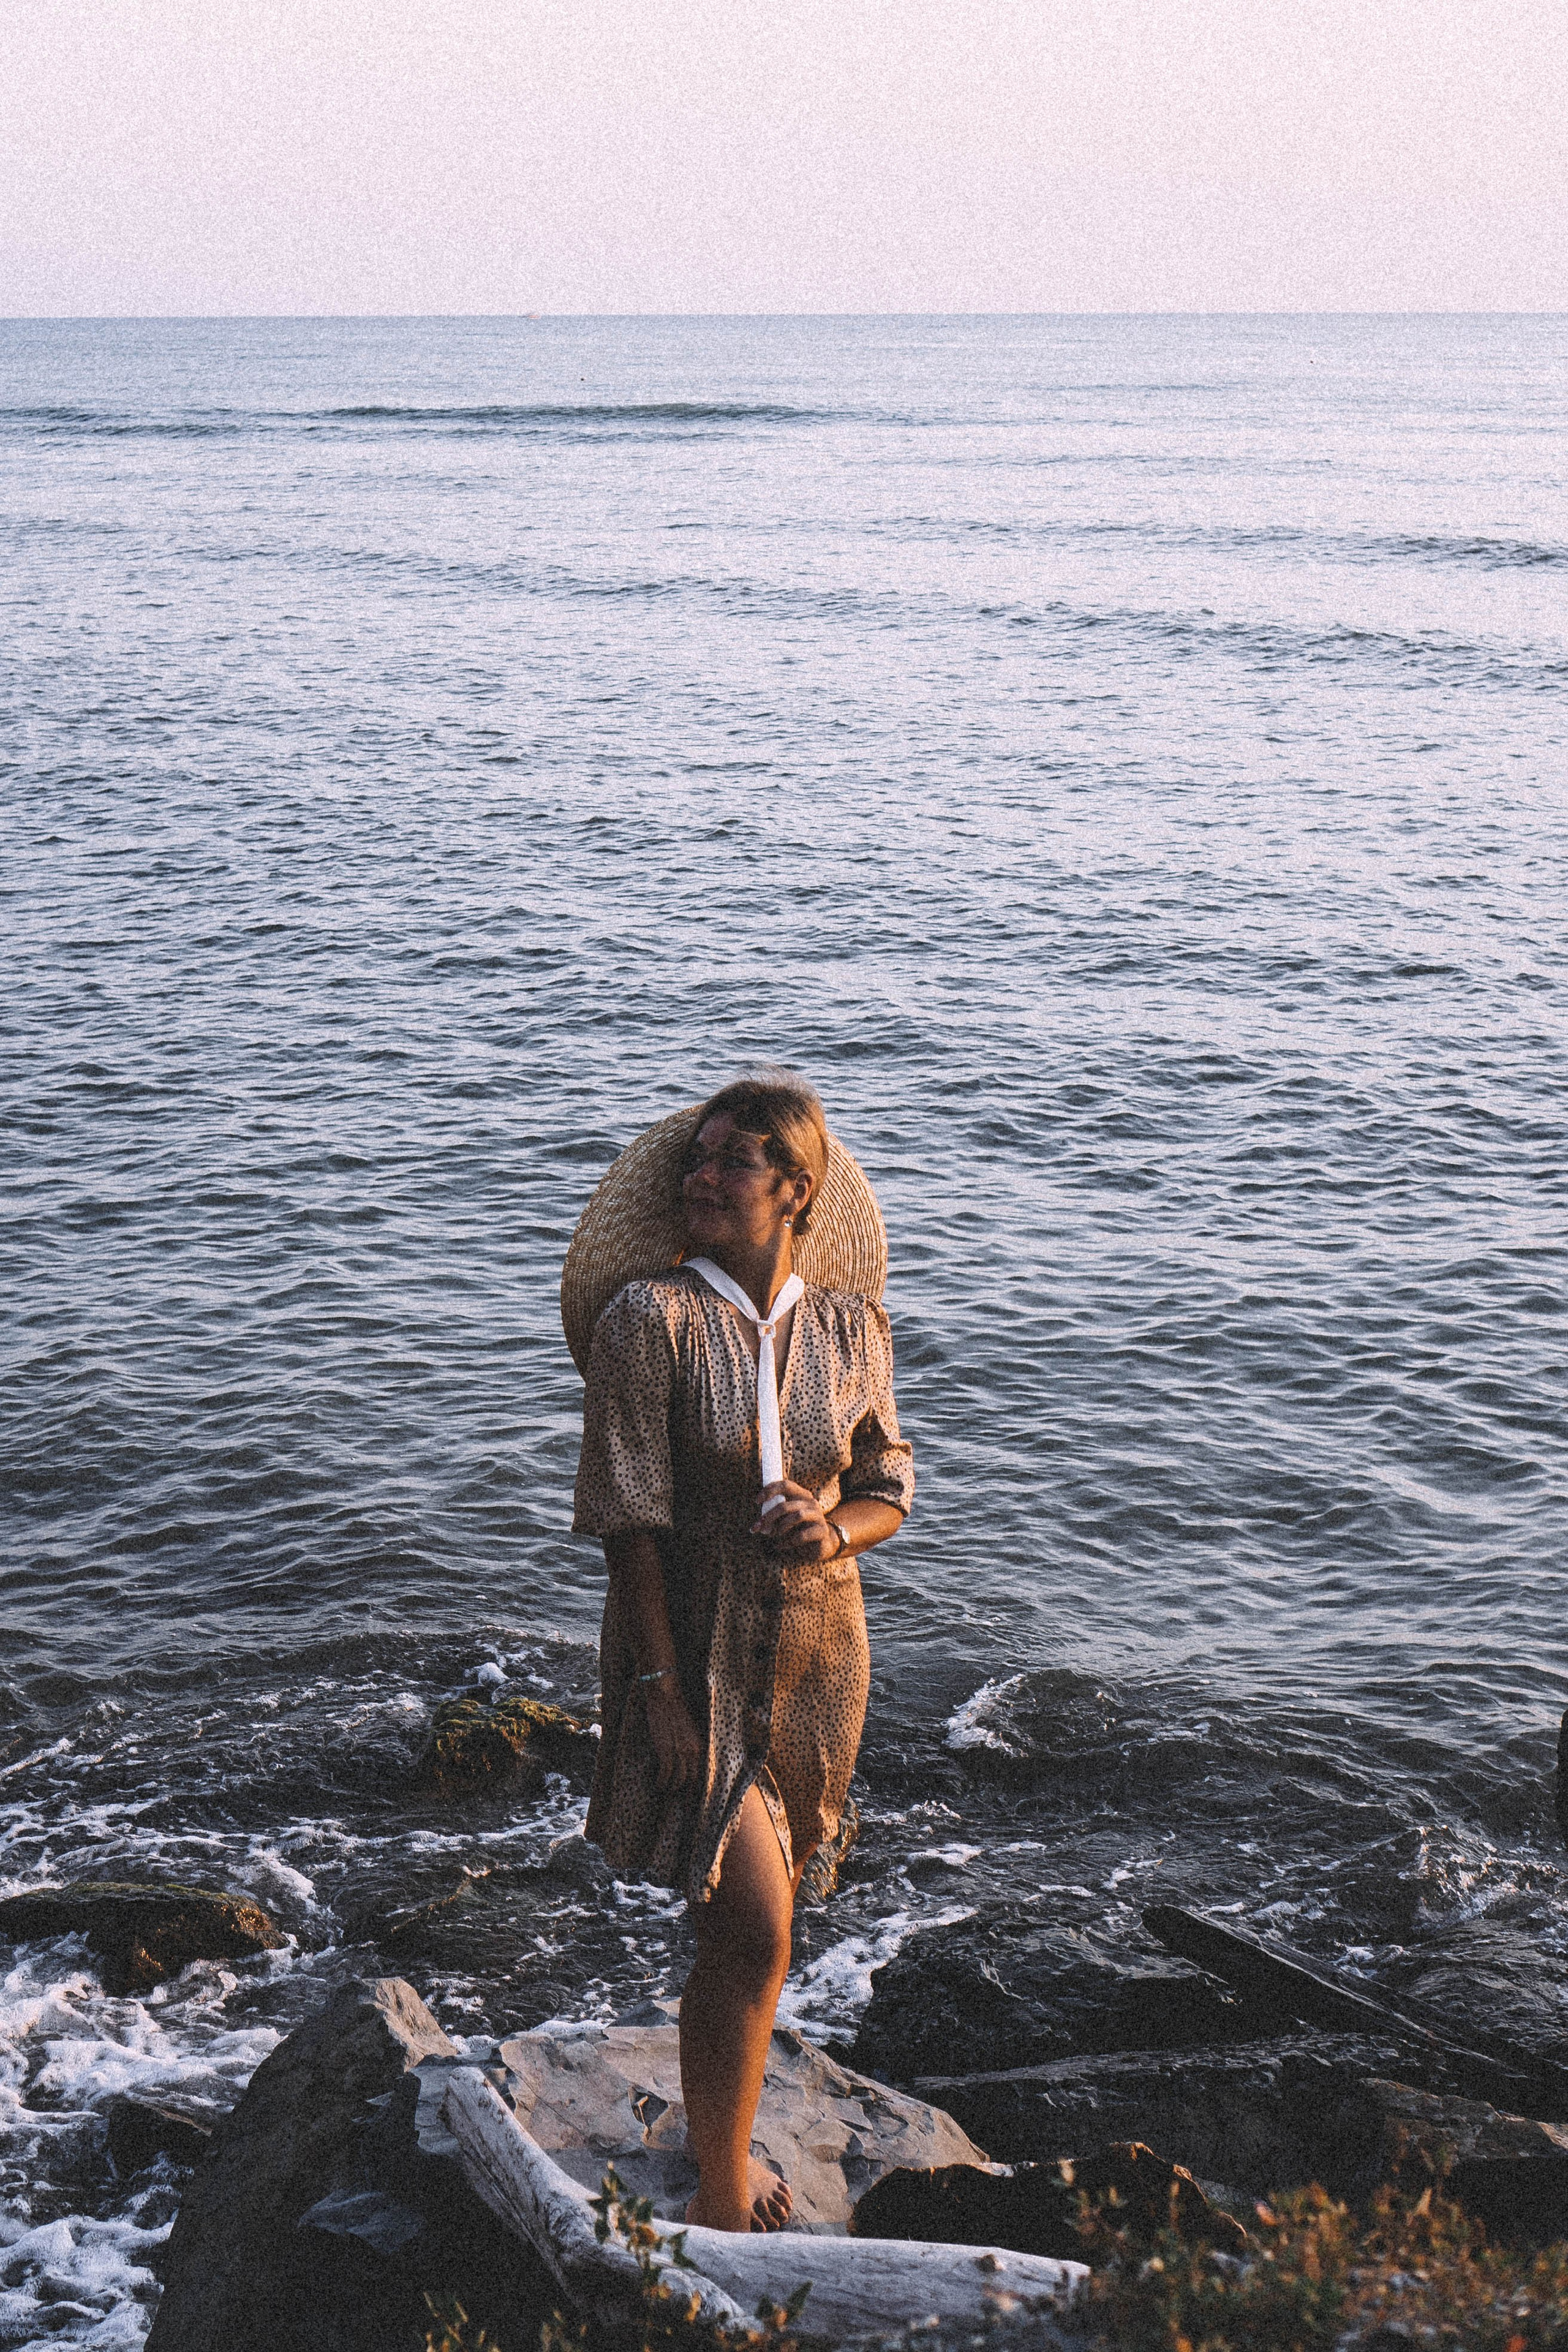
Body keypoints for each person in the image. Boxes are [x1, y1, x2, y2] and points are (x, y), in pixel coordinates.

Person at [570, 1074, 913, 2233]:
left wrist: (834, 1528)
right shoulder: (649, 1320)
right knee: (755, 1922)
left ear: (795, 1190)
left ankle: (719, 2120)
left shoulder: (852, 1326)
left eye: (732, 1162)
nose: (702, 1179)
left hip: (820, 1656)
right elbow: (629, 1520)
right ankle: (722, 2182)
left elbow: (888, 1484)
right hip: (692, 1649)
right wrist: (658, 1688)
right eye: (696, 1159)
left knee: (751, 1928)